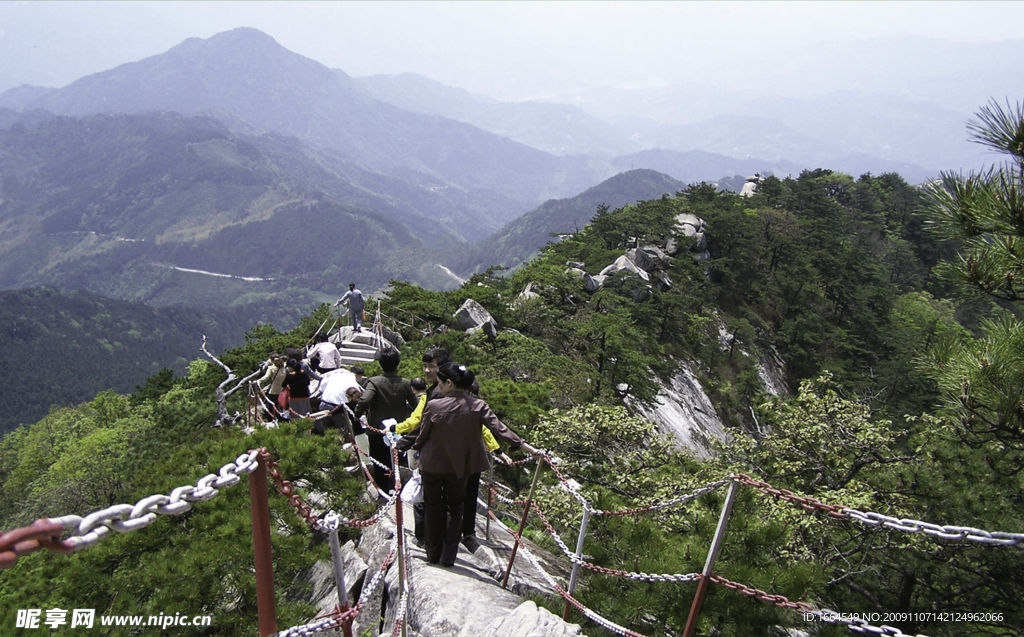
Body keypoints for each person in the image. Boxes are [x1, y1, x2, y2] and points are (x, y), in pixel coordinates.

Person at [408, 362, 538, 566]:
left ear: (449, 383)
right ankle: (449, 556)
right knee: (456, 507)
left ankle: (432, 554)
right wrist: (525, 447)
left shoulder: (434, 406)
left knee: (433, 506)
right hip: (461, 467)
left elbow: (422, 435)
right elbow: (499, 429)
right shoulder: (478, 406)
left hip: (432, 464)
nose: (438, 385)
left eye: (440, 382)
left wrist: (412, 448)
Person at [354, 349, 417, 500]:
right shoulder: (405, 383)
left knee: (379, 461)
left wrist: (357, 413)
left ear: (381, 364)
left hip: (377, 430)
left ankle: (384, 491)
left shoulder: (374, 382)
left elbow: (365, 400)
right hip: (399, 430)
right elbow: (416, 405)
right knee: (396, 461)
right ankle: (396, 489)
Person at [461, 379, 512, 553]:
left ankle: (463, 531)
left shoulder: (465, 406)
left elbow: (486, 431)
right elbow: (486, 431)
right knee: (466, 495)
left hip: (464, 459)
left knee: (465, 495)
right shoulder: (470, 407)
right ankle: (464, 532)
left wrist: (498, 451)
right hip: (467, 459)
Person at [311, 369, 362, 438]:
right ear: (358, 376)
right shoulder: (352, 379)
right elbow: (355, 395)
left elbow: (322, 386)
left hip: (324, 402)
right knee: (342, 430)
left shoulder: (336, 375)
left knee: (326, 431)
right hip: (337, 407)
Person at [257, 352, 288, 417]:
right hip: (283, 391)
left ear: (272, 360)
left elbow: (266, 378)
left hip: (274, 391)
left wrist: (258, 381)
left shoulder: (271, 368)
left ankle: (272, 419)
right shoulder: (284, 366)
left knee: (270, 407)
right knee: (281, 407)